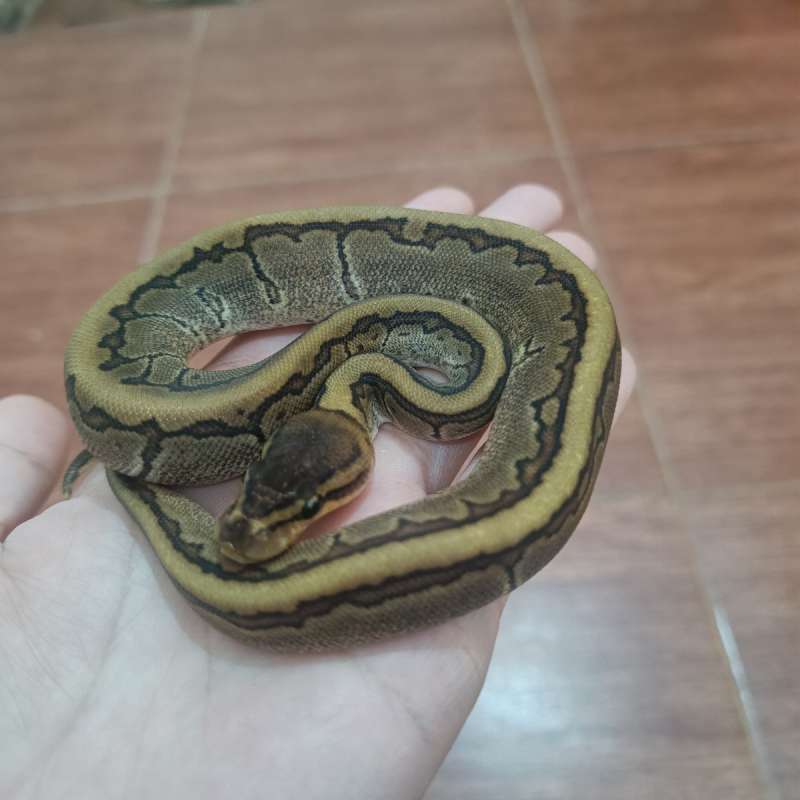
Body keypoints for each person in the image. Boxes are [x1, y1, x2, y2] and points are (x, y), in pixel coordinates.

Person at [0, 184, 635, 800]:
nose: (248, 534)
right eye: (257, 491)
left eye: (305, 509)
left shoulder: (392, 384)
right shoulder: (363, 387)